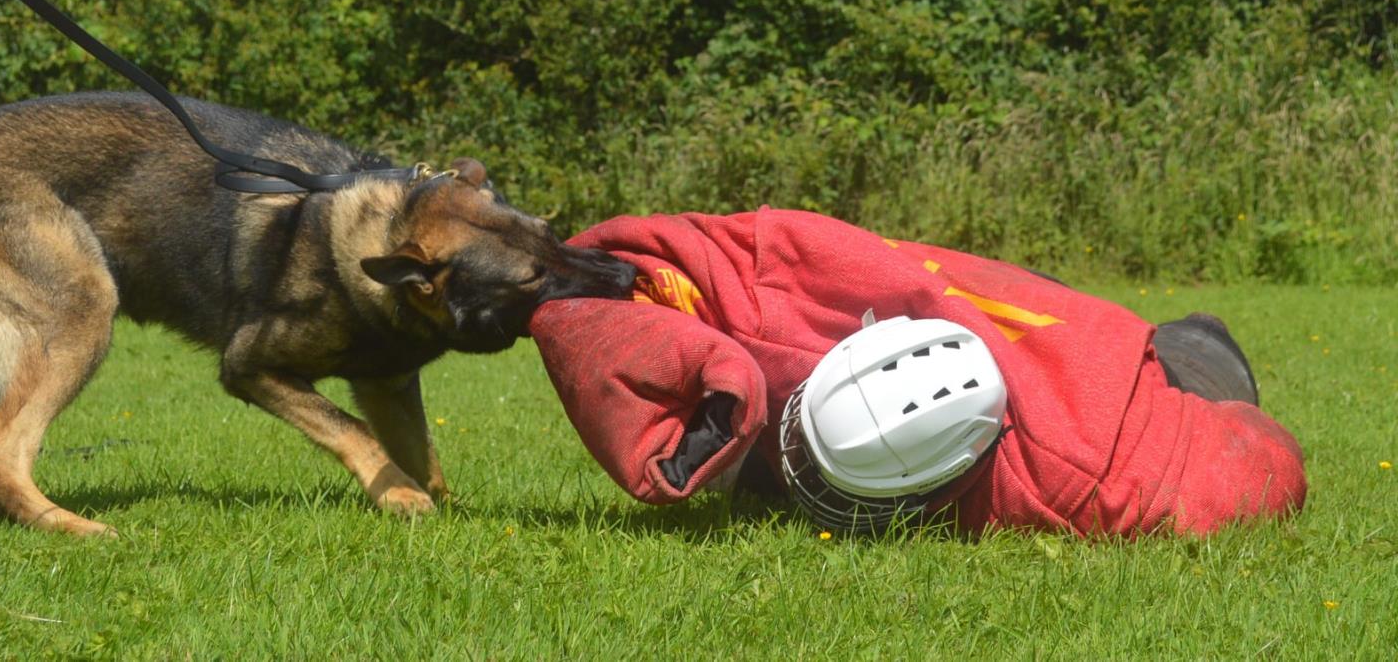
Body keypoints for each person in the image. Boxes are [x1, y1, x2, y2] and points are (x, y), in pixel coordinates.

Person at [529, 207, 1306, 537]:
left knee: (1204, 349)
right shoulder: (809, 300)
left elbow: (1263, 465)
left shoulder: (1091, 471)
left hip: (1148, 373)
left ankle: (1200, 337)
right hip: (1055, 323)